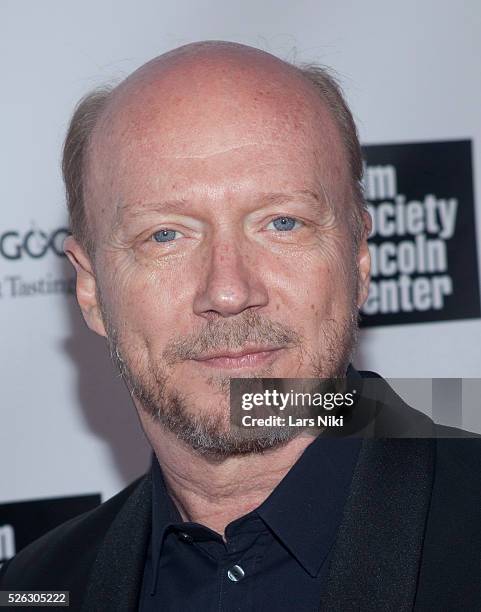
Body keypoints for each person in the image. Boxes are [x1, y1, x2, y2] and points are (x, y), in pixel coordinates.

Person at [1, 41, 480, 611]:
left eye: (282, 223)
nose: (228, 292)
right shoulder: (39, 586)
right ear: (90, 289)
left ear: (359, 259)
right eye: (166, 235)